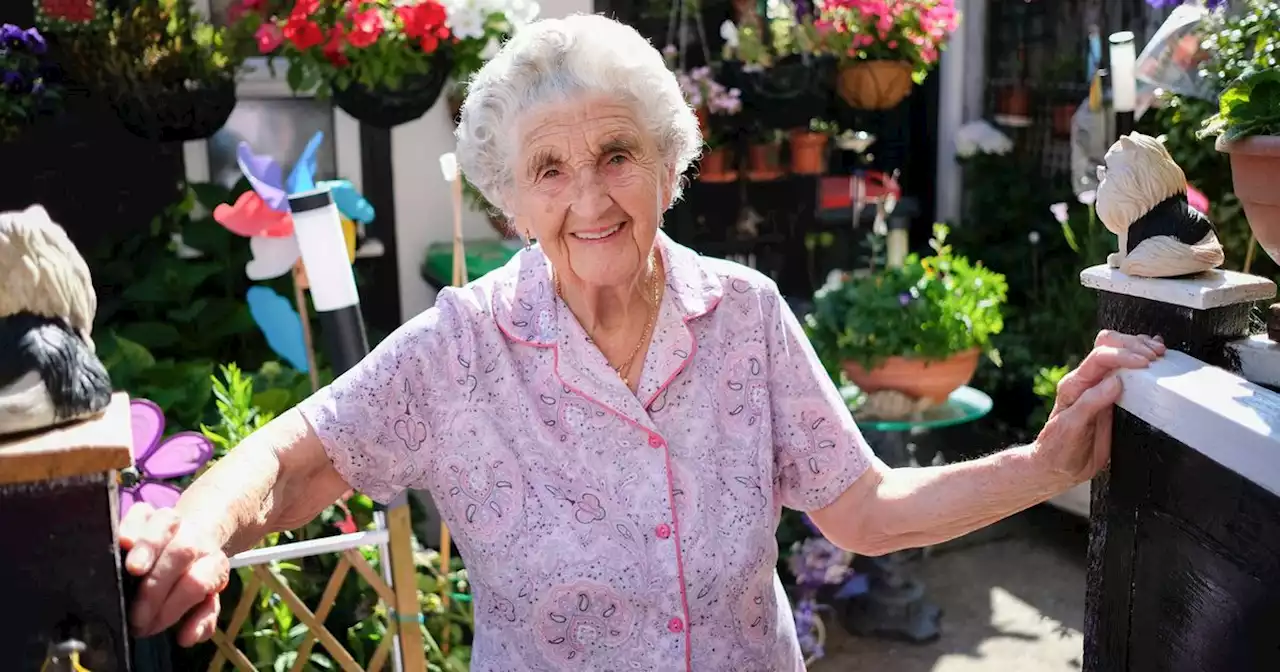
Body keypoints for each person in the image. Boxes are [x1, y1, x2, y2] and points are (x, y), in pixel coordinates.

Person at [119, 13, 1166, 671]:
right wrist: (201, 532)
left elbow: (863, 509)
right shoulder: (461, 351)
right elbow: (288, 459)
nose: (588, 198)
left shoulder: (743, 315)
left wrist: (1038, 468)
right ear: (510, 200)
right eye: (548, 169)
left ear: (671, 165)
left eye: (616, 154)